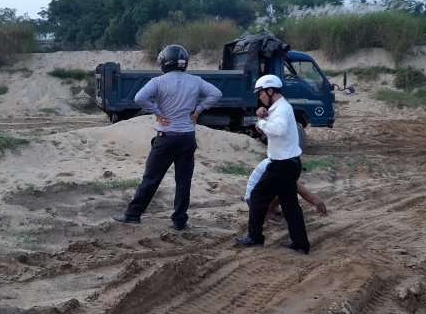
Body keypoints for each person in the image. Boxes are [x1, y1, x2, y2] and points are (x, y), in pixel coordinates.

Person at [113, 45, 222, 231]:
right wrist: (198, 110)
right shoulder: (195, 81)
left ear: (166, 61)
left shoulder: (158, 81)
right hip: (187, 139)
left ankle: (133, 214)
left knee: (151, 178)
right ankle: (179, 221)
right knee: (183, 182)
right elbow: (216, 94)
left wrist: (157, 112)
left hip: (166, 139)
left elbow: (140, 98)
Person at [236, 74, 311, 254]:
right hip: (289, 163)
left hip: (282, 165)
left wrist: (262, 121)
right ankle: (300, 244)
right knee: (289, 203)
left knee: (257, 196)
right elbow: (265, 128)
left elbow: (278, 129)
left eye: (260, 93)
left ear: (270, 91)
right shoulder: (279, 108)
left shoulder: (281, 110)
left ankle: (255, 237)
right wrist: (263, 116)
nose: (259, 97)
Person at [244, 158, 328, 224]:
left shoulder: (282, 163)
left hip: (261, 197)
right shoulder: (271, 164)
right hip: (254, 201)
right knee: (284, 188)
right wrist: (314, 199)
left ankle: (273, 209)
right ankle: (267, 214)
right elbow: (296, 187)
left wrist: (314, 200)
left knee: (288, 186)